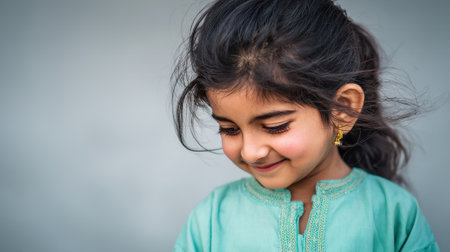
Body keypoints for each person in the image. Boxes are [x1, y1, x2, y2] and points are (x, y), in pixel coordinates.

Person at [171, 0, 438, 251]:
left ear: (343, 109)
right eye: (230, 129)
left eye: (275, 126)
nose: (251, 152)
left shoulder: (394, 214)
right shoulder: (209, 220)